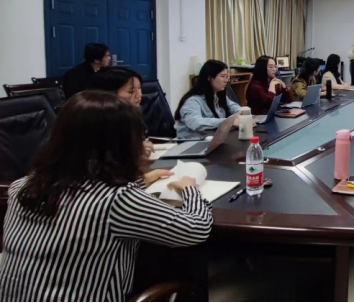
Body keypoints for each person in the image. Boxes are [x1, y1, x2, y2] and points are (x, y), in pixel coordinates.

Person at [0, 91, 212, 302]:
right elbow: (195, 229)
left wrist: (142, 181)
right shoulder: (116, 200)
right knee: (179, 263)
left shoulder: (21, 187)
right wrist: (189, 189)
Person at [90, 67, 155, 157]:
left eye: (139, 88)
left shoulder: (133, 113)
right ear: (110, 94)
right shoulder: (99, 120)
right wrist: (133, 152)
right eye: (131, 91)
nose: (139, 95)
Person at [175, 60, 242, 139]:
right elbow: (195, 123)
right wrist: (228, 122)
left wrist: (241, 114)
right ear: (209, 78)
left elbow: (233, 106)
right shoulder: (192, 101)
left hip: (211, 138)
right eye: (223, 76)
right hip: (191, 142)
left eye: (227, 77)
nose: (226, 80)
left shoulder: (218, 95)